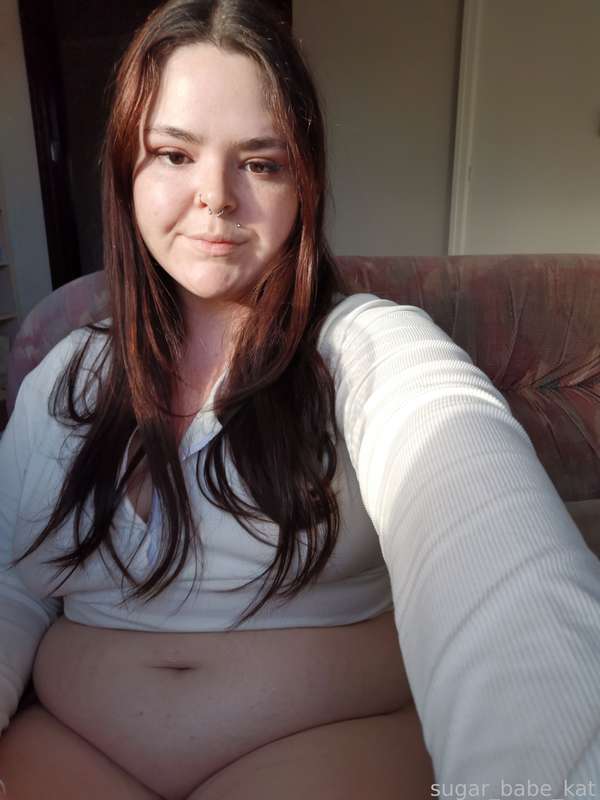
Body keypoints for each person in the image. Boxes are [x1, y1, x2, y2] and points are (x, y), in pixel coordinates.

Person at [0, 1, 599, 798]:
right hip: (71, 749)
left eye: (260, 163)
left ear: (304, 183)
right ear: (125, 171)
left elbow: (500, 571)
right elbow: (10, 585)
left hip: (319, 749)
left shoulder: (373, 349)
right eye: (174, 154)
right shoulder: (66, 373)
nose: (215, 197)